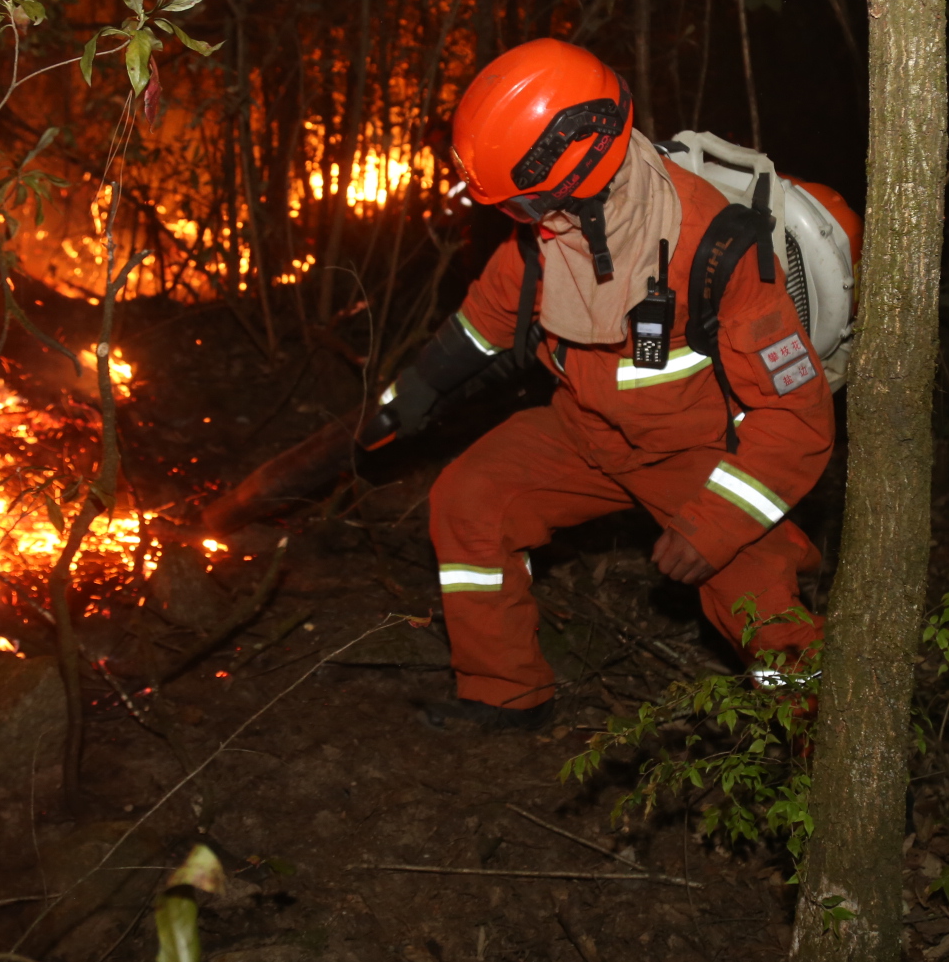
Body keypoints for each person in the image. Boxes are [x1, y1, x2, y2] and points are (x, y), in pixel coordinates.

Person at [360, 38, 845, 729]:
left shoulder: (718, 246)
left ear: (581, 172)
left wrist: (713, 526)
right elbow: (487, 320)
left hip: (694, 455)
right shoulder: (545, 243)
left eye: (525, 206)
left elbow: (794, 418)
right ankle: (503, 694)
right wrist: (416, 389)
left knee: (757, 601)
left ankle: (826, 746)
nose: (521, 222)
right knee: (469, 501)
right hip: (581, 430)